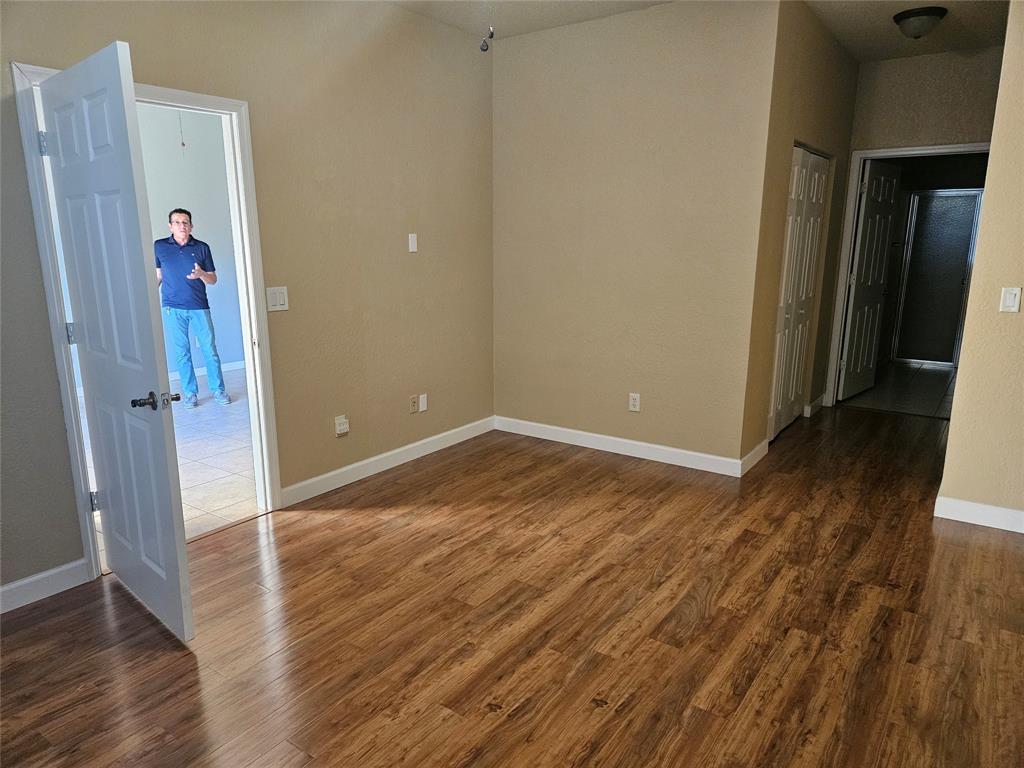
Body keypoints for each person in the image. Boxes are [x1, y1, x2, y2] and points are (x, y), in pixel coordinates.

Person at [154, 208, 231, 407]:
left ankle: (219, 391)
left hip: (198, 306)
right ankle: (190, 394)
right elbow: (158, 276)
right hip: (172, 308)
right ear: (170, 226)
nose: (182, 225)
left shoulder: (202, 247)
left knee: (210, 350)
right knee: (182, 352)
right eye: (177, 222)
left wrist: (201, 275)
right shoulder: (160, 247)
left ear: (191, 225)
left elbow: (213, 279)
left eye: (185, 222)